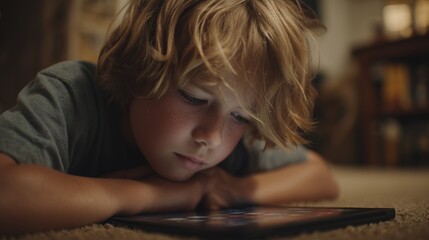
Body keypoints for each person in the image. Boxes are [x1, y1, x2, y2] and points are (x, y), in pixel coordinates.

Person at [0, 0, 338, 235]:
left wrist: (234, 190)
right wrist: (145, 195)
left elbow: (321, 175)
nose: (214, 137)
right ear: (139, 66)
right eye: (194, 97)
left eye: (240, 116)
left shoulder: (234, 144)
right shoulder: (72, 95)